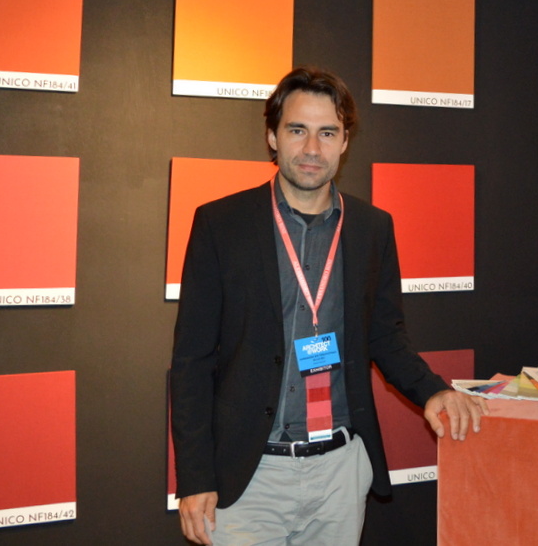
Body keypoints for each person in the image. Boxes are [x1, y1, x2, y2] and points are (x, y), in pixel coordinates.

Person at [170, 65, 487, 545]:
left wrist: (434, 391)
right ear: (273, 137)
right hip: (249, 479)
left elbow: (386, 337)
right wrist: (196, 477)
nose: (312, 149)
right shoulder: (221, 224)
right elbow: (191, 361)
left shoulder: (372, 228)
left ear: (344, 142)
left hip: (340, 473)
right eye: (297, 130)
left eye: (327, 133)